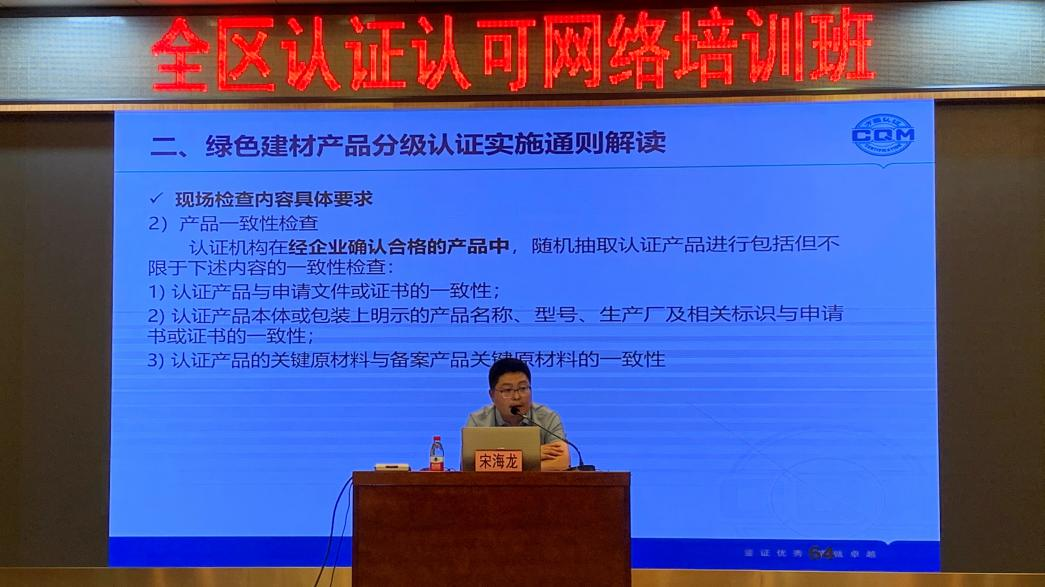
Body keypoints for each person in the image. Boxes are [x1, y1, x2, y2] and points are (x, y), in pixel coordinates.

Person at [464, 357, 570, 471]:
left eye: (523, 388)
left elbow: (561, 461)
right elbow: (470, 467)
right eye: (507, 390)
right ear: (492, 395)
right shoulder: (478, 422)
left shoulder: (547, 418)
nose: (517, 396)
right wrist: (528, 456)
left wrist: (500, 465)